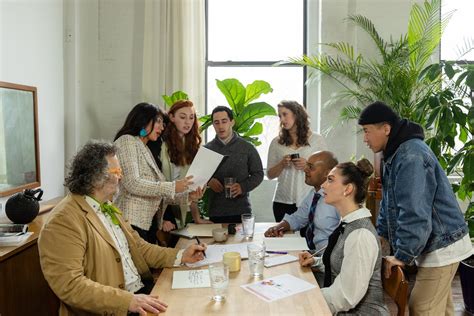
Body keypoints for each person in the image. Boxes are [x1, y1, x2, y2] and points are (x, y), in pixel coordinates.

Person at [38, 141, 206, 316]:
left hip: (140, 294)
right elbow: (70, 285)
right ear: (96, 177)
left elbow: (141, 248)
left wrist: (181, 255)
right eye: (117, 171)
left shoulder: (108, 206)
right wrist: (127, 301)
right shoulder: (63, 221)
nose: (121, 177)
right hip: (117, 307)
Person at [358, 101, 472, 315]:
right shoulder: (394, 153)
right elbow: (389, 202)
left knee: (421, 307)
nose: (365, 138)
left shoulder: (411, 156)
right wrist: (382, 235)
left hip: (442, 246)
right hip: (433, 243)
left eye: (367, 131)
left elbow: (414, 213)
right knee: (442, 309)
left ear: (386, 129)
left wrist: (402, 255)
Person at [113, 102, 202, 244]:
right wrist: (173, 186)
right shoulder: (127, 141)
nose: (162, 127)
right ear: (144, 120)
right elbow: (133, 183)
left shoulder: (145, 148)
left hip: (147, 224)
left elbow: (159, 193)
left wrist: (188, 196)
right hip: (131, 221)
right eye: (158, 122)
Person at [311, 158, 389, 314]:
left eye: (330, 180)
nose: (323, 185)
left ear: (347, 189)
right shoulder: (348, 224)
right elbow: (344, 263)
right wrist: (315, 261)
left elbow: (345, 297)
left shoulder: (360, 235)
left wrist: (307, 297)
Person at [267, 101, 327, 222]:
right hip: (281, 201)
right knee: (282, 239)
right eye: (279, 116)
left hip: (308, 199)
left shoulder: (317, 140)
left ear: (296, 114)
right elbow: (269, 174)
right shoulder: (276, 142)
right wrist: (282, 164)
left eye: (285, 114)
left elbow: (326, 170)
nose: (282, 119)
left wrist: (307, 166)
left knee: (307, 239)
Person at [204, 106, 264, 223]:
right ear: (213, 125)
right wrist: (209, 181)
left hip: (242, 211)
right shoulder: (207, 150)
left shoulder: (247, 148)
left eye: (224, 121)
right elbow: (197, 177)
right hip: (216, 211)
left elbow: (259, 174)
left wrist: (242, 187)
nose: (220, 126)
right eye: (216, 123)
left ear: (232, 122)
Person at [160, 99, 212, 230]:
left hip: (182, 208)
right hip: (162, 210)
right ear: (171, 117)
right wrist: (162, 218)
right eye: (182, 117)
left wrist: (197, 218)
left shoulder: (193, 147)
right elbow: (155, 185)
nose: (188, 122)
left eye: (191, 118)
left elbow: (191, 187)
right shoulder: (160, 144)